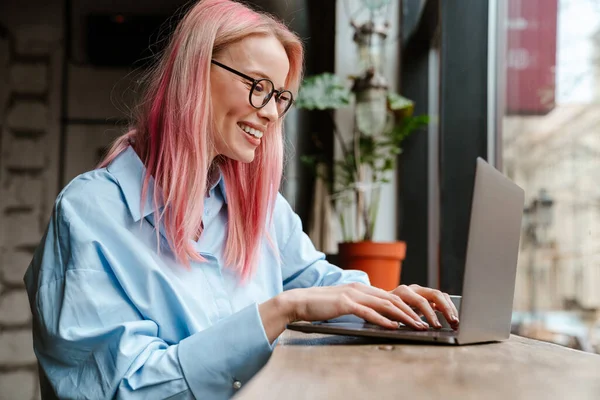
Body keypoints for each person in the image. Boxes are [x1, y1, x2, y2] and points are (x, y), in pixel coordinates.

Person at [24, 0, 459, 398]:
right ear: (195, 73)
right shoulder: (89, 215)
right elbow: (121, 389)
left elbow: (322, 286)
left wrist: (395, 304)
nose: (271, 112)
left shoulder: (260, 209)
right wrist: (281, 310)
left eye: (279, 96)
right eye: (258, 86)